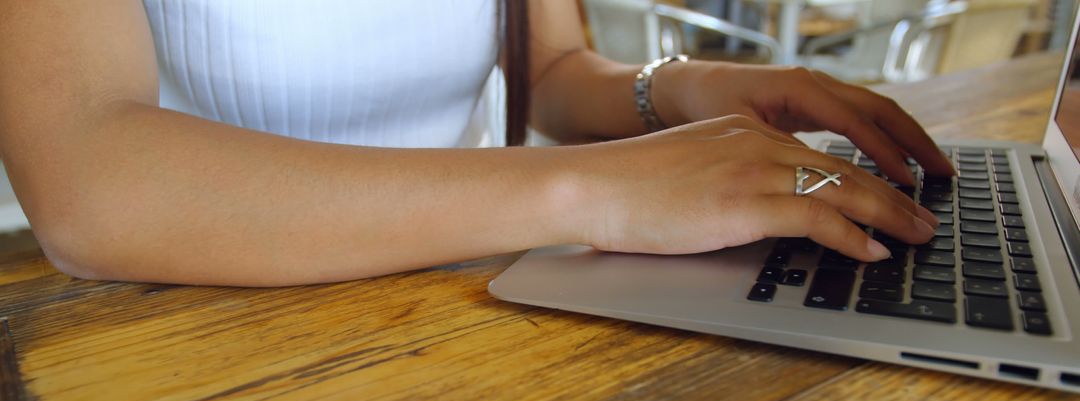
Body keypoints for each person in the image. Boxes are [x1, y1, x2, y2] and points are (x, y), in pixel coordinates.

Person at [0, 0, 952, 287]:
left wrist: (694, 86)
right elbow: (91, 179)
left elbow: (550, 71)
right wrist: (584, 190)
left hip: (456, 297)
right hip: (202, 314)